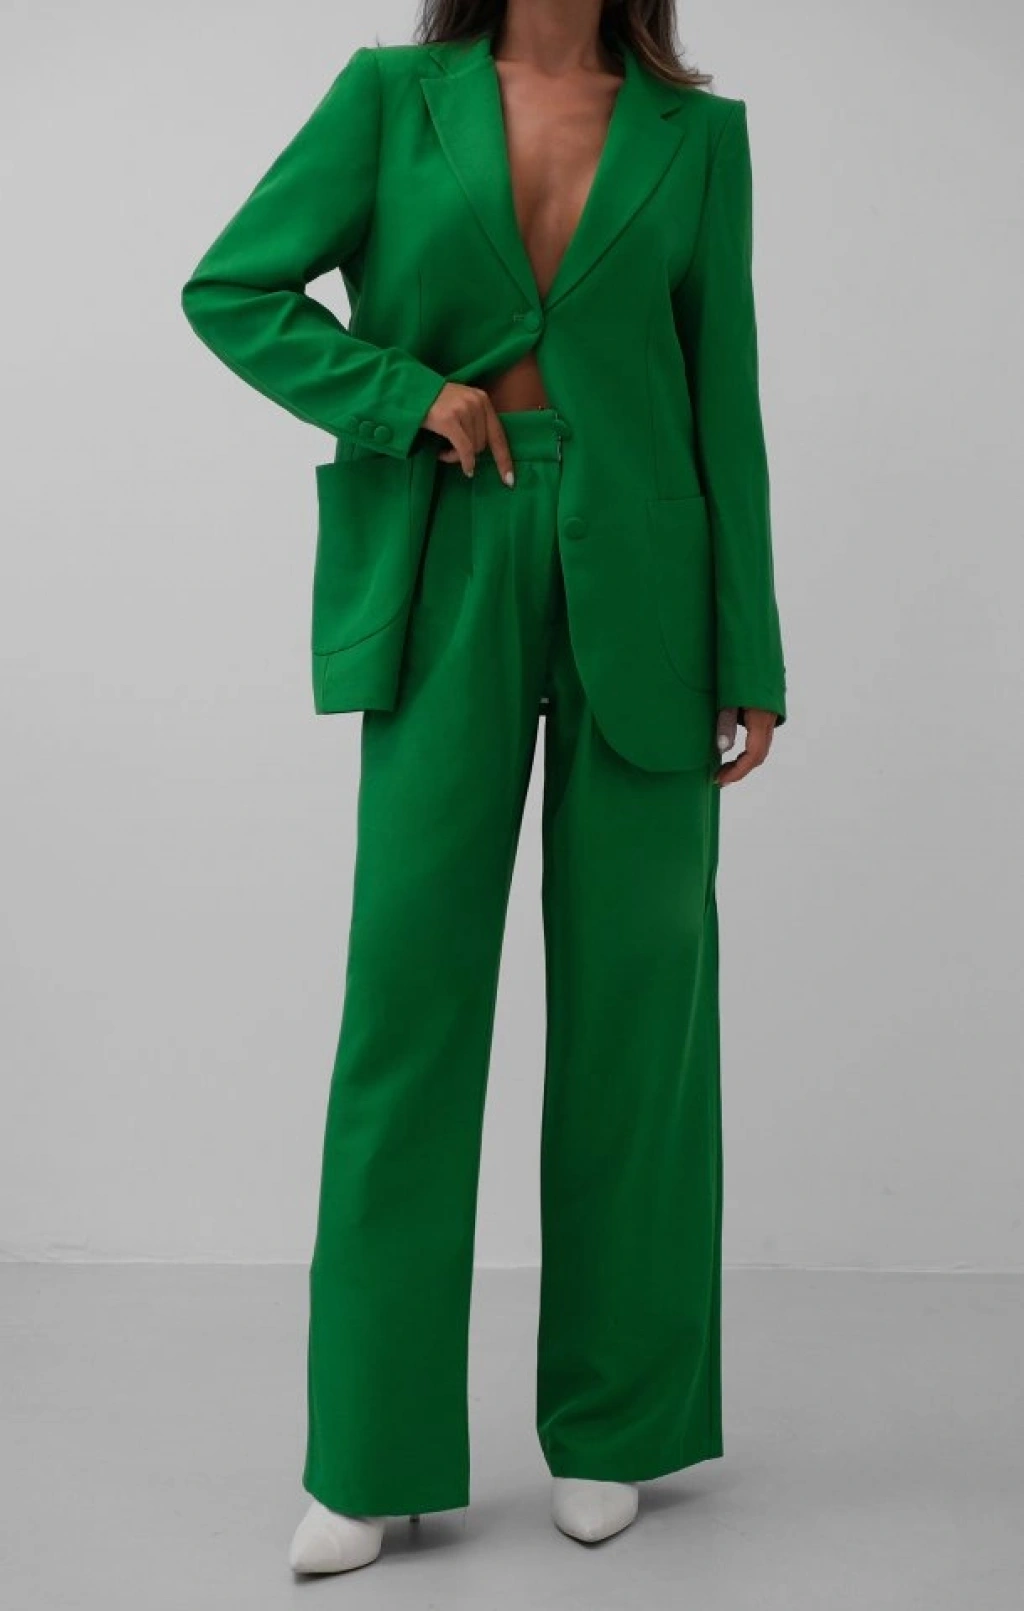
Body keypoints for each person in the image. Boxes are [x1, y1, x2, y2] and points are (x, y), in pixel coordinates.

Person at [180, 0, 787, 1575]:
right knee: (410, 1011)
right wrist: (402, 396)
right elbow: (232, 286)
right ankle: (367, 1451)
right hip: (448, 555)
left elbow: (723, 391)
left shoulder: (700, 136)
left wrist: (751, 645)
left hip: (647, 588)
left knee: (638, 1026)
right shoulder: (392, 98)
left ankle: (616, 1422)